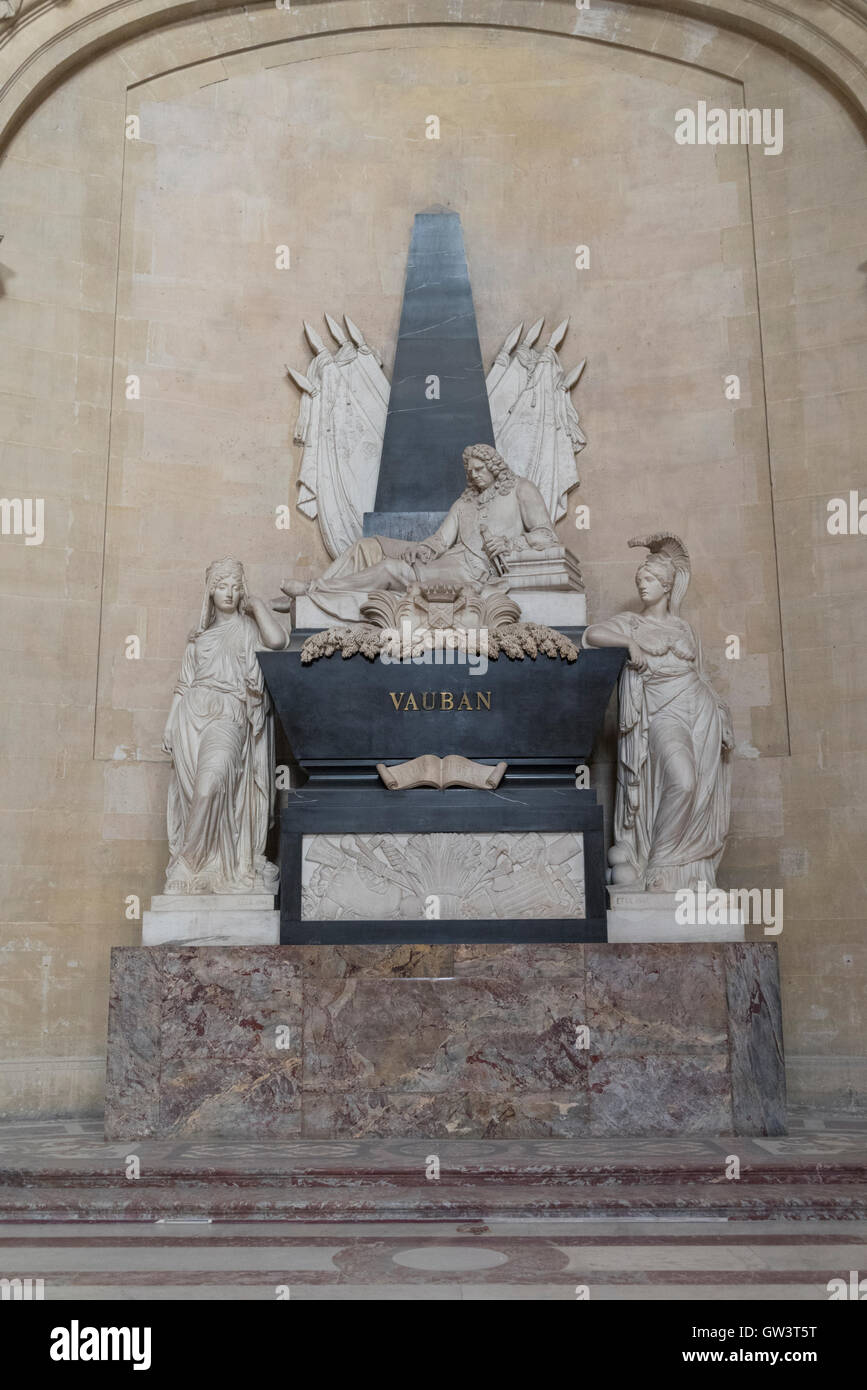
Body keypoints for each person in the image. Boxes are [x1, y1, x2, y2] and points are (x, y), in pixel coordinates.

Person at [582, 534, 733, 892]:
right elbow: (592, 635)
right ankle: (660, 864)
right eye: (639, 581)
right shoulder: (631, 624)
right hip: (662, 712)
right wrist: (629, 642)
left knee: (701, 792)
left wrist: (721, 713)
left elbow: (700, 675)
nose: (642, 587)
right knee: (683, 781)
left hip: (700, 710)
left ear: (666, 586)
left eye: (649, 581)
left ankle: (689, 869)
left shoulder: (684, 629)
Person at [274, 442, 559, 619]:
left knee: (389, 569)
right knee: (368, 546)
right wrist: (424, 549)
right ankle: (310, 603)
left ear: (495, 466)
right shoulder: (465, 502)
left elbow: (546, 535)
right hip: (443, 559)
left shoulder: (521, 489)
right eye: (470, 471)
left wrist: (511, 545)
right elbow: (439, 540)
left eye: (480, 468)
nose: (473, 475)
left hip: (472, 571)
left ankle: (313, 591)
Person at [161, 558, 289, 895]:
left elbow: (278, 641)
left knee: (210, 783)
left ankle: (189, 862)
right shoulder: (198, 640)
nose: (229, 592)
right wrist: (170, 725)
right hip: (191, 717)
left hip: (229, 713)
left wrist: (258, 606)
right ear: (210, 592)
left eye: (235, 585)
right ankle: (203, 868)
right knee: (194, 794)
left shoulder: (248, 629)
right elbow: (182, 686)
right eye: (222, 585)